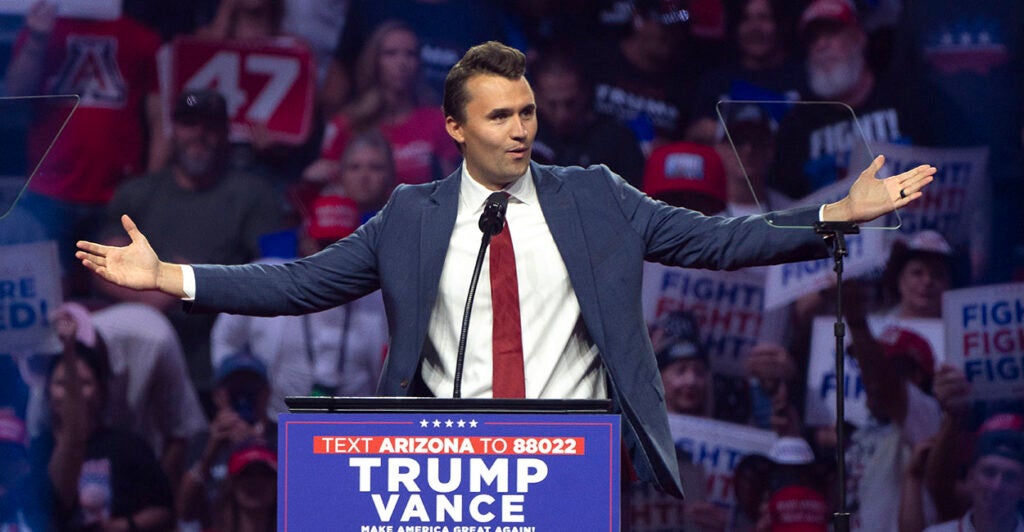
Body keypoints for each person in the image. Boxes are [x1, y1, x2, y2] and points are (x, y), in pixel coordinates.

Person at [76, 40, 935, 498]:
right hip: (448, 466)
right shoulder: (409, 217)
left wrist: (832, 215)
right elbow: (300, 283)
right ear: (454, 128)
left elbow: (715, 242)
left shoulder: (596, 195)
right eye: (499, 116)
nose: (521, 129)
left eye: (526, 112)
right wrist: (173, 278)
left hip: (575, 455)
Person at [95, 89, 286, 398]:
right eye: (189, 124)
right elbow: (101, 264)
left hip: (222, 363)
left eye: (210, 127)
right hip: (145, 360)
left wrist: (197, 282)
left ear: (226, 133)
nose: (199, 135)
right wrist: (151, 293)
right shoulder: (138, 193)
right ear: (174, 130)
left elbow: (276, 274)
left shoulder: (253, 195)